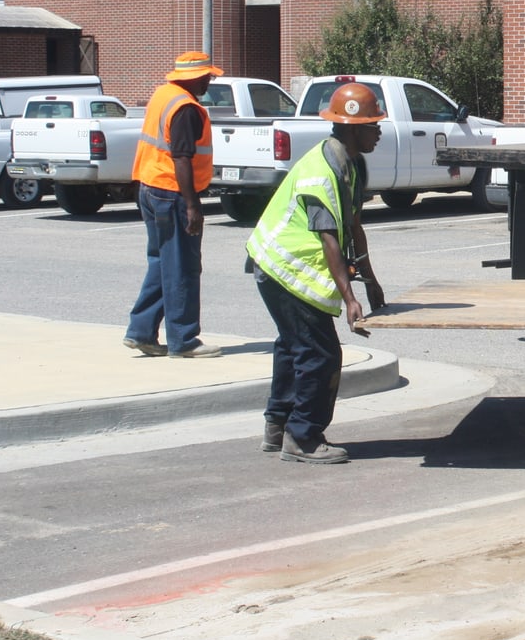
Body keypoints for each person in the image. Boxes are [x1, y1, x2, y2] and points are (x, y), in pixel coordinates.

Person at [246, 82, 387, 464]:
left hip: (284, 267)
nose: (379, 131)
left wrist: (370, 280)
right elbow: (330, 240)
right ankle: (303, 437)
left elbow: (353, 225)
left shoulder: (351, 162)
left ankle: (278, 427)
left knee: (294, 349)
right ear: (353, 127)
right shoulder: (321, 172)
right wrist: (350, 298)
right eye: (373, 124)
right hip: (282, 268)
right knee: (321, 355)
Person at [124, 50, 224, 358]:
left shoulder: (164, 94)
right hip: (172, 192)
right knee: (182, 267)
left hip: (151, 186)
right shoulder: (185, 108)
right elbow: (181, 158)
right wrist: (193, 205)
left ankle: (141, 332)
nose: (210, 80)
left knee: (162, 262)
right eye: (207, 75)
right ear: (192, 77)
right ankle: (184, 340)